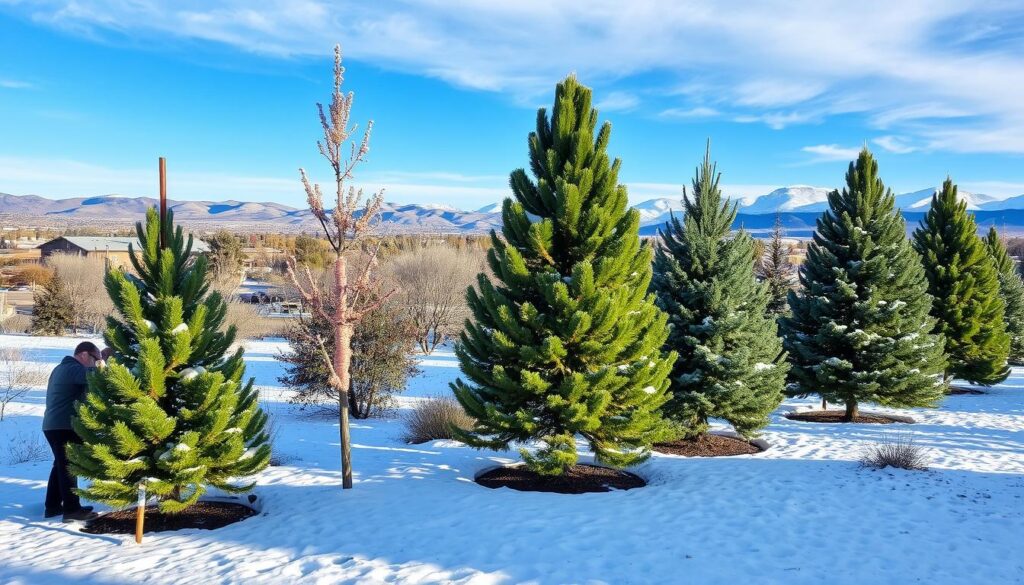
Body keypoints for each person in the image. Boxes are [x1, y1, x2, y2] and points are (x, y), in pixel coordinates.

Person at [41, 341, 104, 522]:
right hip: (64, 426)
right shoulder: (72, 368)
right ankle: (71, 510)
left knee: (60, 465)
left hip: (54, 425)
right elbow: (93, 376)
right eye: (95, 359)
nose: (95, 363)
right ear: (84, 354)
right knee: (69, 466)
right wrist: (106, 362)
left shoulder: (62, 368)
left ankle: (52, 506)